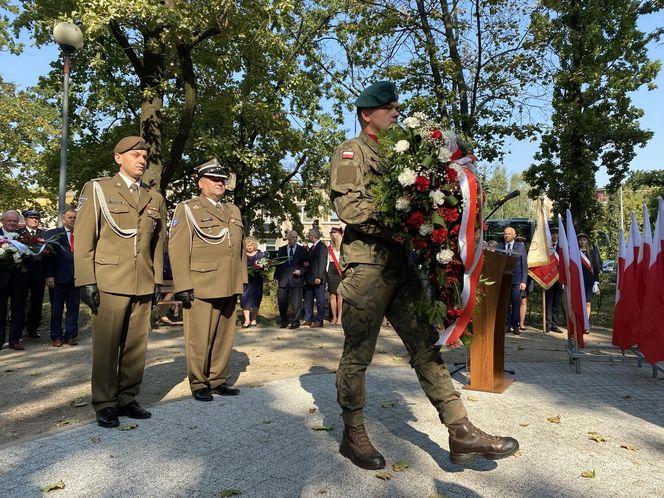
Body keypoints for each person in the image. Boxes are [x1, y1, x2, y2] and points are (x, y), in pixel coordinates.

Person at [330, 80, 518, 470]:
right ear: (368, 114)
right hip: (368, 267)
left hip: (404, 268)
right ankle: (353, 433)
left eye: (397, 107)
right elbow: (352, 209)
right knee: (358, 354)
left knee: (425, 348)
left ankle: (460, 430)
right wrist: (407, 224)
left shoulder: (404, 158)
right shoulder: (350, 153)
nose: (396, 112)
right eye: (389, 108)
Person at [74, 136, 166, 428]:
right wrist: (87, 280)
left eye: (145, 156)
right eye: (136, 155)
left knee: (136, 346)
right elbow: (85, 238)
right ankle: (104, 402)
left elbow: (158, 246)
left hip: (142, 280)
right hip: (109, 280)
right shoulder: (98, 189)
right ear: (118, 158)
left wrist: (157, 282)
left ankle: (127, 398)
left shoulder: (155, 198)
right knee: (107, 346)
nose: (142, 160)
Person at [169, 159, 247, 402]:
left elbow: (240, 247)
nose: (220, 183)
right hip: (202, 282)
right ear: (201, 183)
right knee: (199, 336)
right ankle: (199, 382)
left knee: (225, 336)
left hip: (229, 281)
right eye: (214, 179)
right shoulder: (188, 208)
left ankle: (217, 379)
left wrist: (241, 279)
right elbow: (178, 247)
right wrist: (182, 284)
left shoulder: (232, 210)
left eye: (222, 180)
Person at [44, 207, 80, 347]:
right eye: (70, 217)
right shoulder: (54, 234)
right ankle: (56, 336)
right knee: (56, 309)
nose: (72, 220)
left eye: (75, 217)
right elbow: (48, 257)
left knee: (73, 309)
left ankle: (70, 335)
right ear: (63, 219)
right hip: (58, 278)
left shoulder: (82, 233)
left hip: (76, 278)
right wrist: (49, 275)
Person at [0, 210, 28, 350]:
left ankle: (15, 339)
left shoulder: (24, 237)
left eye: (15, 221)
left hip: (19, 279)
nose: (12, 223)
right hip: (1, 280)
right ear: (2, 221)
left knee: (18, 309)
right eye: (9, 221)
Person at [18, 209, 46, 339]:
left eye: (37, 218)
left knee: (37, 302)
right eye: (32, 218)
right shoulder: (19, 234)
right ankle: (18, 328)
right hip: (22, 273)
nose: (35, 220)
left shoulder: (43, 234)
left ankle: (33, 328)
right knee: (21, 302)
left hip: (39, 274)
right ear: (26, 220)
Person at [274, 230, 307, 329]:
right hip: (283, 280)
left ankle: (295, 322)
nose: (295, 239)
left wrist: (300, 271)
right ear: (288, 238)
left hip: (296, 279)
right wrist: (275, 277)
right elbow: (278, 265)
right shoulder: (281, 249)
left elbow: (306, 265)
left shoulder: (302, 250)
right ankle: (284, 321)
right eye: (292, 237)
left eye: (296, 237)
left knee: (296, 302)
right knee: (282, 301)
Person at [499, 227, 528, 335]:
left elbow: (524, 265)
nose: (506, 235)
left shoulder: (520, 247)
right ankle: (507, 324)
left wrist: (524, 281)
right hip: (504, 280)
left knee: (516, 303)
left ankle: (515, 325)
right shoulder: (500, 246)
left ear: (514, 235)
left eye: (509, 234)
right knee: (505, 303)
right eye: (505, 234)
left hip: (517, 280)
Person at [303, 228, 328, 328]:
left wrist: (319, 277)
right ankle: (308, 319)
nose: (308, 236)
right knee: (308, 300)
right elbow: (313, 262)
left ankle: (319, 321)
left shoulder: (321, 247)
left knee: (320, 301)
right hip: (309, 279)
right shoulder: (313, 247)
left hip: (317, 279)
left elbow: (322, 263)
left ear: (313, 236)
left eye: (309, 235)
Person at [578, 233, 601, 333]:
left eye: (584, 239)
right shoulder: (575, 252)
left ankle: (586, 325)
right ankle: (579, 323)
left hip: (589, 281)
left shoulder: (591, 252)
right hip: (578, 281)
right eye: (580, 240)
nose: (582, 241)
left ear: (587, 241)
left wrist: (596, 281)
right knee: (579, 303)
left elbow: (596, 267)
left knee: (587, 303)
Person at [240, 236, 264, 328]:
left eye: (251, 245)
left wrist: (262, 265)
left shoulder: (259, 254)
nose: (249, 247)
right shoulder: (242, 255)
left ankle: (254, 319)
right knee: (244, 299)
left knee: (256, 300)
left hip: (257, 281)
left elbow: (265, 264)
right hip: (245, 280)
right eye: (247, 245)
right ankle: (247, 320)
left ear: (254, 245)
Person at [545, 227, 563, 333]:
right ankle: (548, 323)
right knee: (549, 301)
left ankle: (555, 324)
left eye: (556, 233)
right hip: (548, 277)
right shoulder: (547, 247)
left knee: (557, 302)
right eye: (553, 233)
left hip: (559, 278)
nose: (554, 235)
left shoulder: (562, 247)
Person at [327, 227, 344, 326]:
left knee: (340, 296)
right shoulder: (329, 248)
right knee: (332, 296)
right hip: (331, 271)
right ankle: (334, 317)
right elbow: (327, 263)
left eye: (332, 235)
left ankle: (340, 318)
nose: (331, 237)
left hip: (340, 272)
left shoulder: (343, 248)